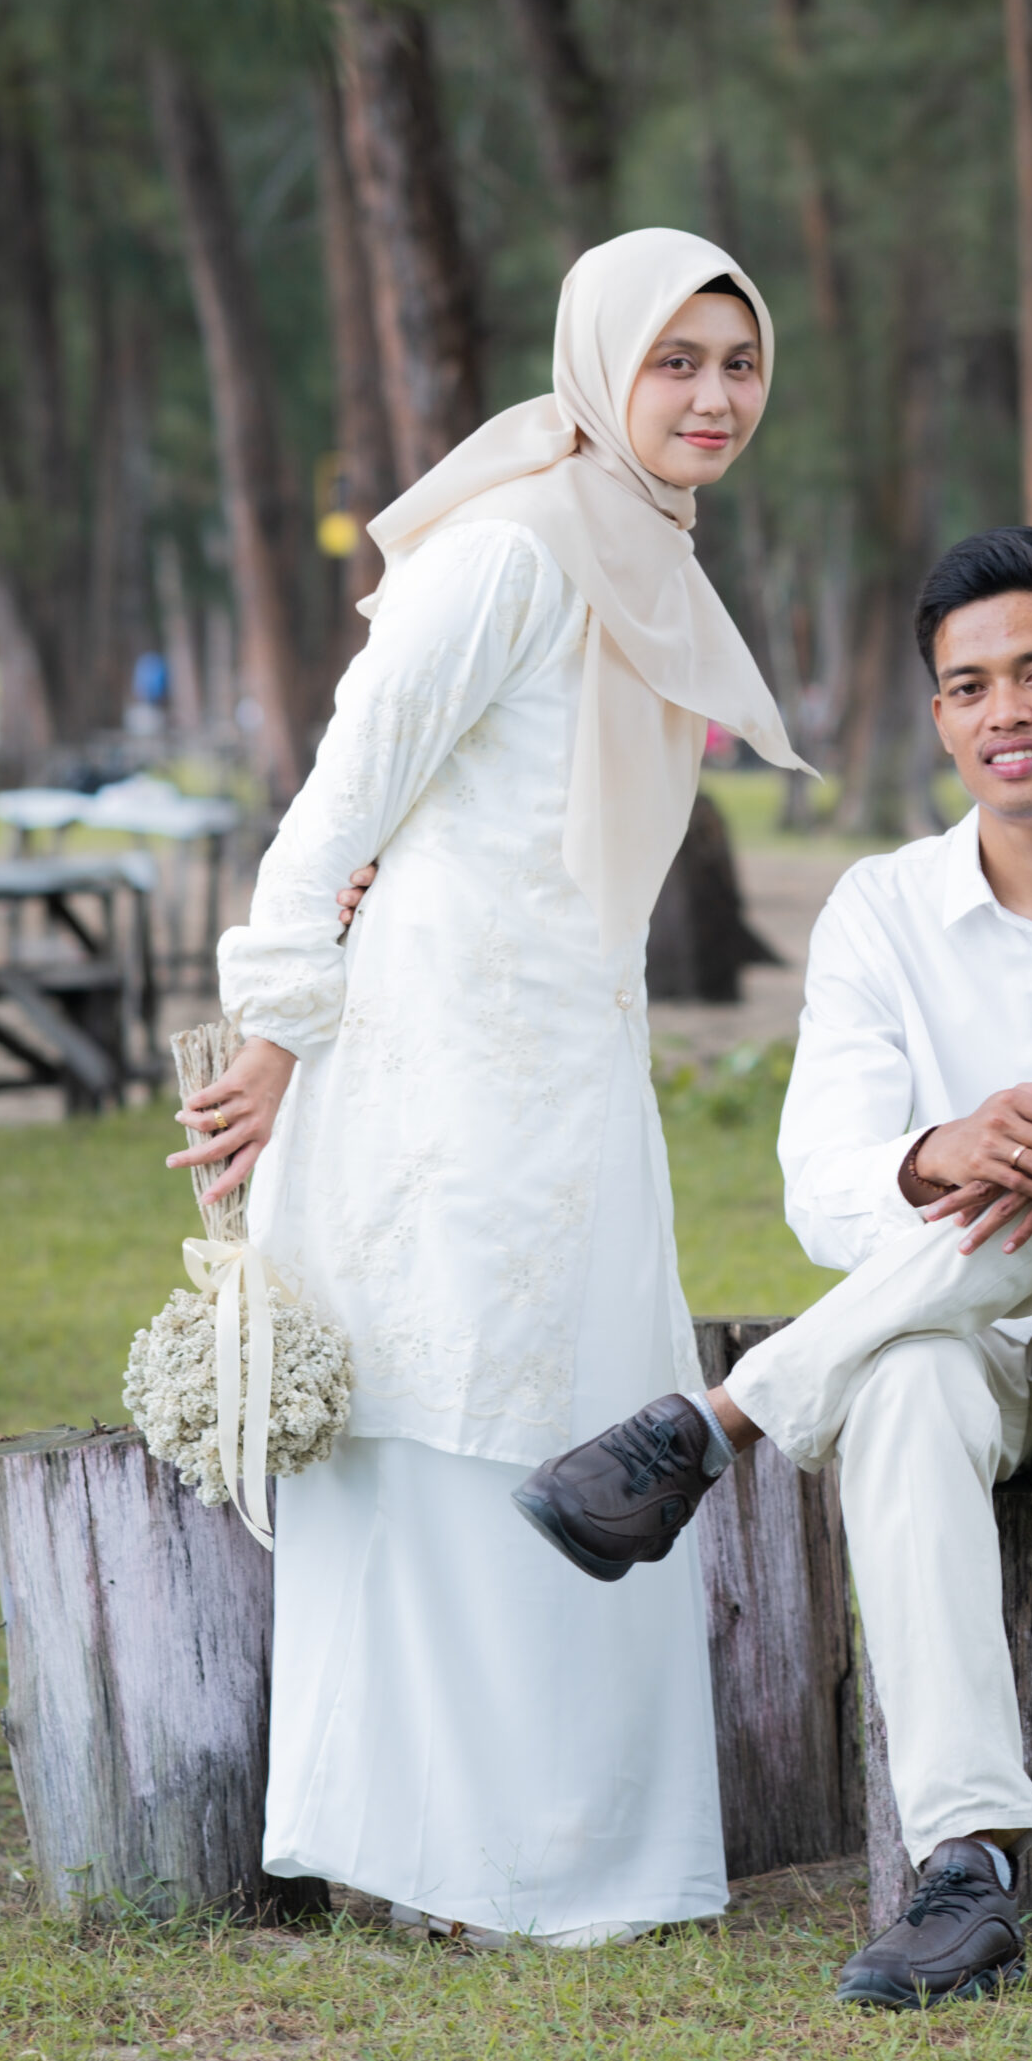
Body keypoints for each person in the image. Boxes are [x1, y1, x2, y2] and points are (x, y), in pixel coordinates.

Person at [515, 524, 1032, 2003]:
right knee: (905, 1382)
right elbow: (821, 1186)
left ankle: (715, 1422)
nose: (1005, 713)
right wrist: (931, 1157)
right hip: (967, 1346)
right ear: (940, 717)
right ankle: (963, 1871)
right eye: (970, 688)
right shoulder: (881, 909)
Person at [168, 228, 808, 1947]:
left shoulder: (644, 550)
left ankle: (575, 1852)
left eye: (740, 363)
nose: (714, 397)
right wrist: (277, 1028)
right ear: (601, 365)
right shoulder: (516, 545)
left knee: (581, 1412)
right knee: (445, 1423)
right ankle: (436, 1860)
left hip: (570, 1061)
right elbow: (340, 800)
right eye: (675, 360)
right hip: (433, 1068)